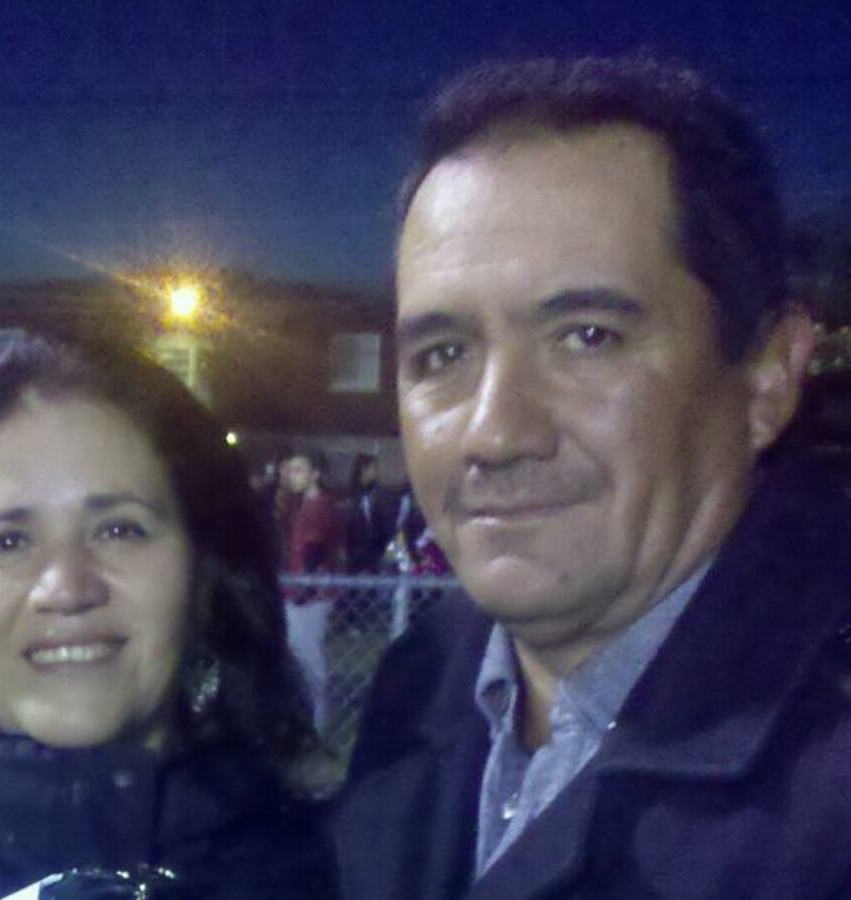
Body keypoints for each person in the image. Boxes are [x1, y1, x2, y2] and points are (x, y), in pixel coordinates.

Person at [331, 57, 851, 898]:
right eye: (444, 355)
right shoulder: (420, 680)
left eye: (588, 338)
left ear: (766, 376)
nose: (495, 432)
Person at [0, 336, 332, 900]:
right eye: (8, 541)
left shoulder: (325, 869)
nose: (64, 588)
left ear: (206, 575)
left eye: (119, 530)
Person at [277, 449, 343, 731]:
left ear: (315, 474)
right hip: (304, 591)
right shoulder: (305, 503)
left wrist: (303, 590)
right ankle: (309, 717)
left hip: (311, 595)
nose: (293, 476)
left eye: (300, 470)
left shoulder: (319, 505)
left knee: (308, 657)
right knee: (301, 654)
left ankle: (317, 723)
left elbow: (314, 549)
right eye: (291, 470)